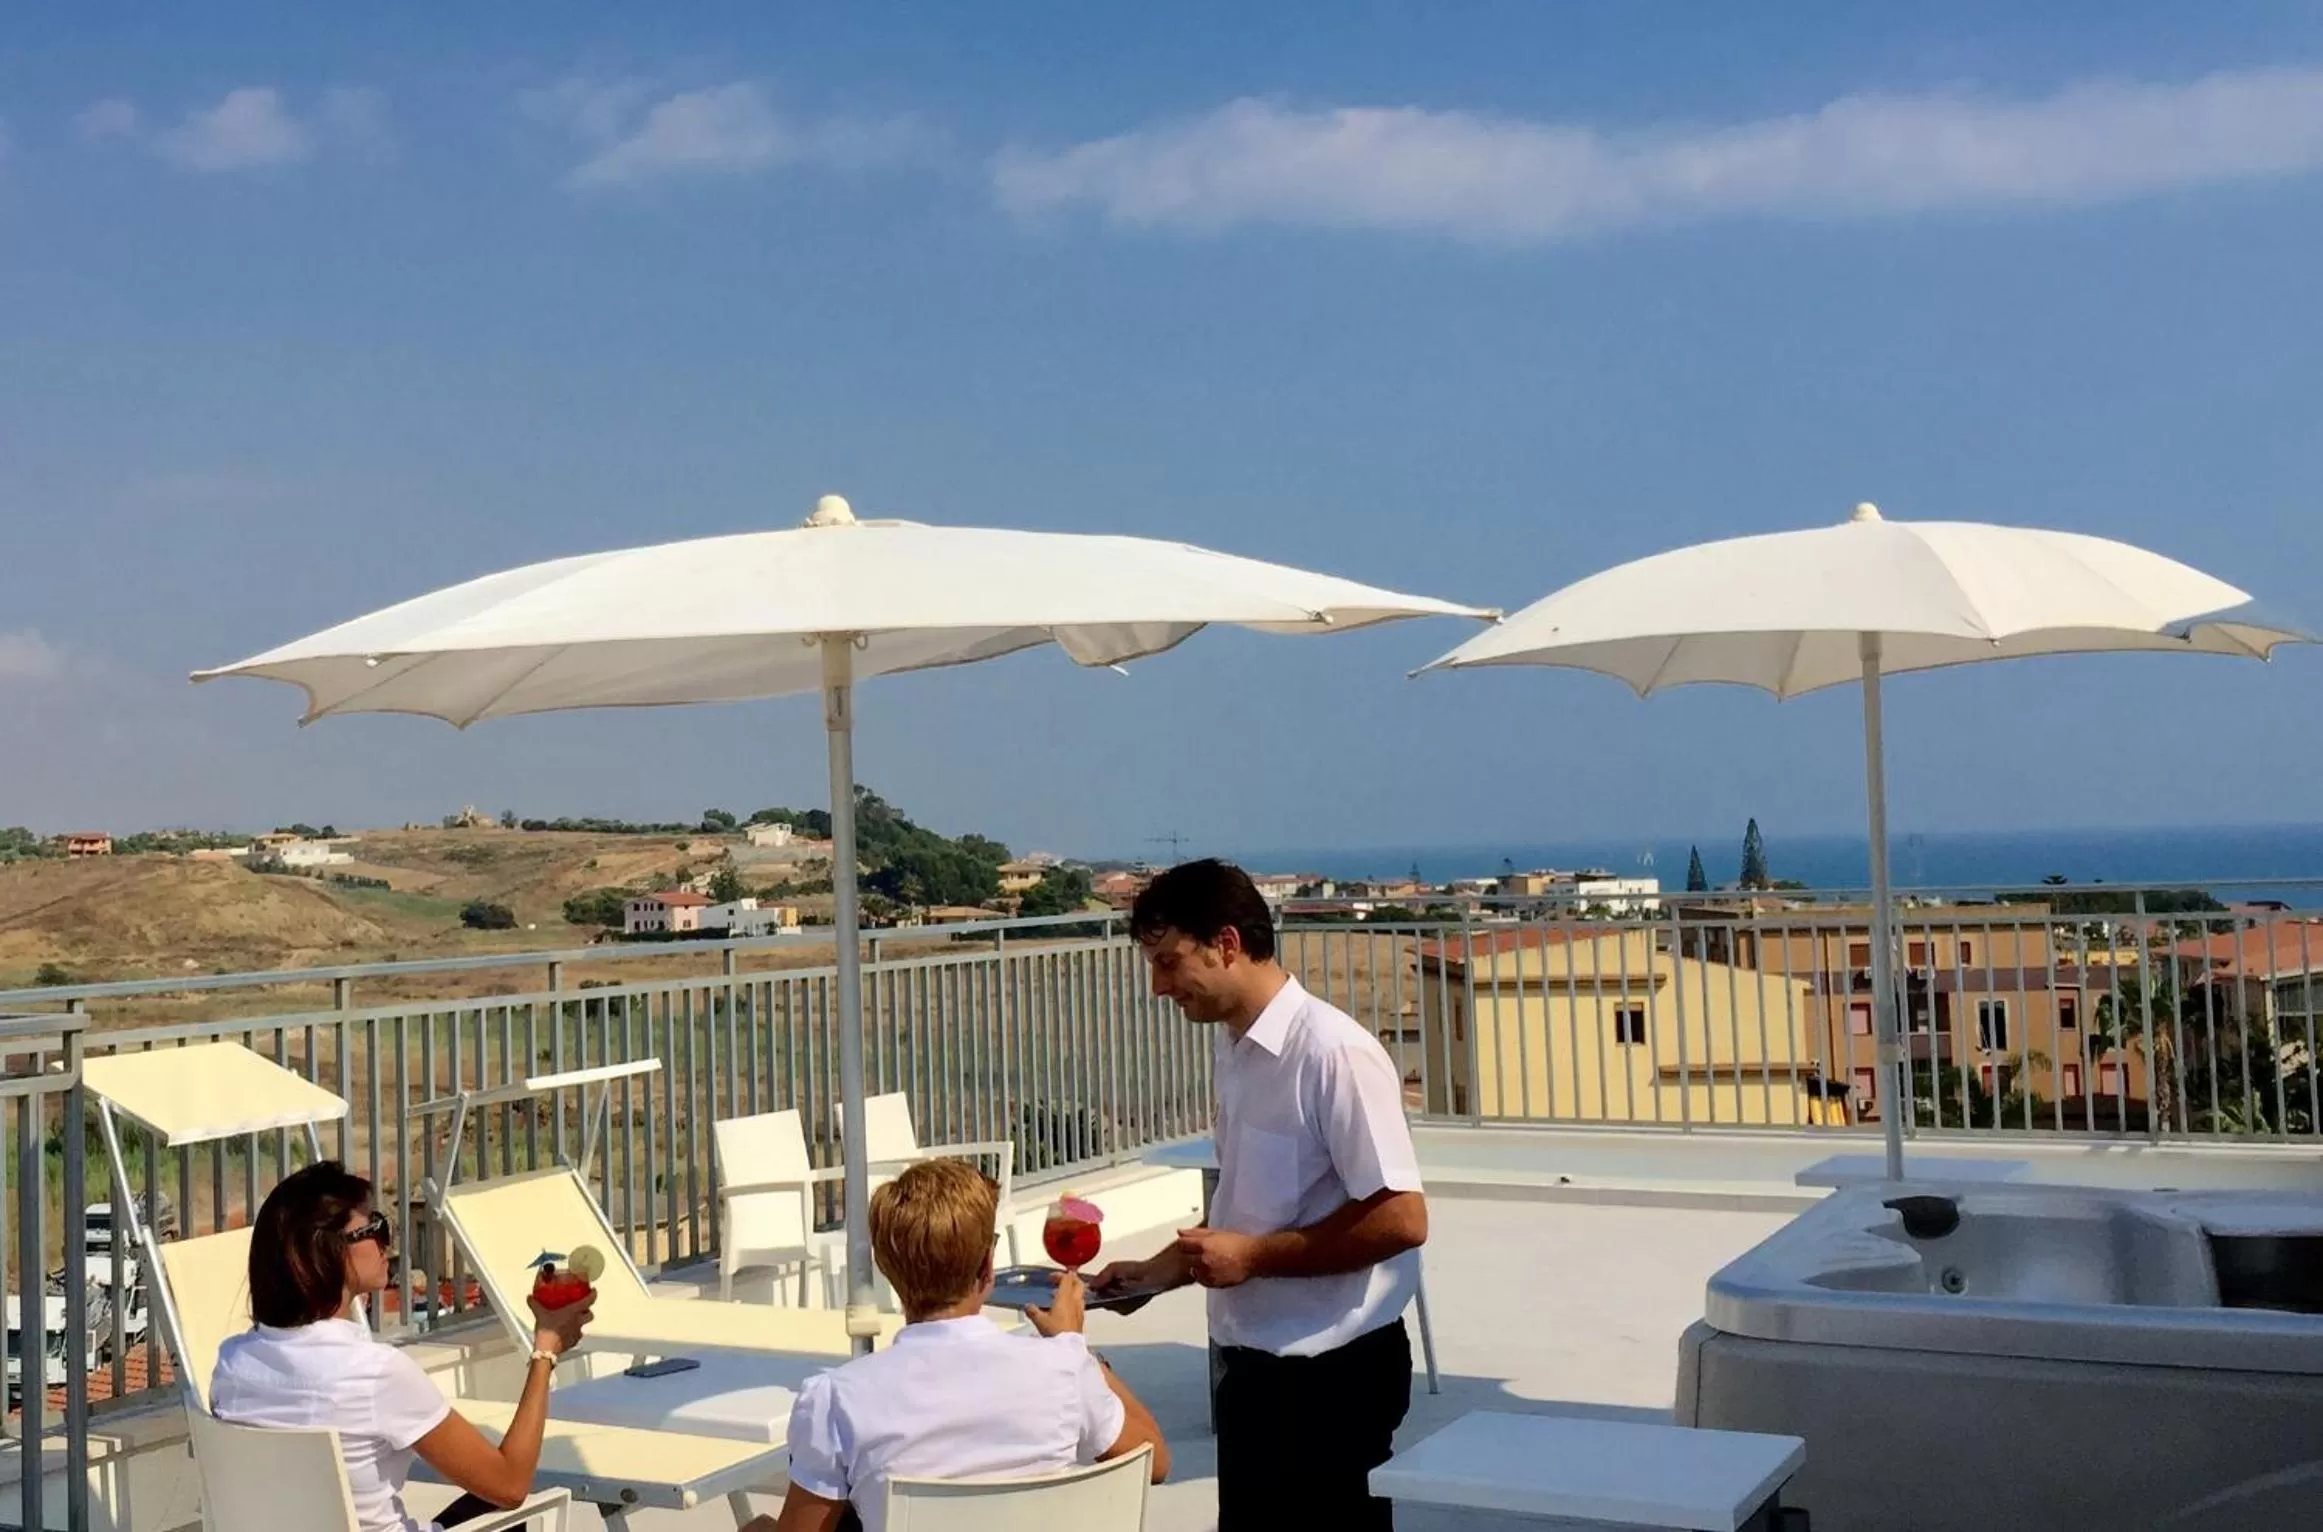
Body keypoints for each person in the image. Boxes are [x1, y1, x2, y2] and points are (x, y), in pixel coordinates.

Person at [1093, 858, 1428, 1531]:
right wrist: (1158, 1273)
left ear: (1225, 943)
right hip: (1255, 1372)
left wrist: (1254, 1258)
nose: (1157, 987)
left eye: (1166, 961)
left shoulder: (1332, 1053)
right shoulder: (1235, 1048)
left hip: (1333, 1379)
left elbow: (1401, 1218)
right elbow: (1251, 1206)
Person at [757, 1157, 1169, 1532]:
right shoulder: (1062, 1368)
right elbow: (1155, 1461)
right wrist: (1073, 1346)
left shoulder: (835, 1400)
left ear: (887, 1270)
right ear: (988, 1266)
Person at [211, 1161, 594, 1532]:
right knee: (514, 1499)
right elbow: (510, 1485)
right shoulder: (375, 1373)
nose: (386, 1241)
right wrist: (545, 1349)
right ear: (326, 1253)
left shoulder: (232, 1362)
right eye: (373, 1228)